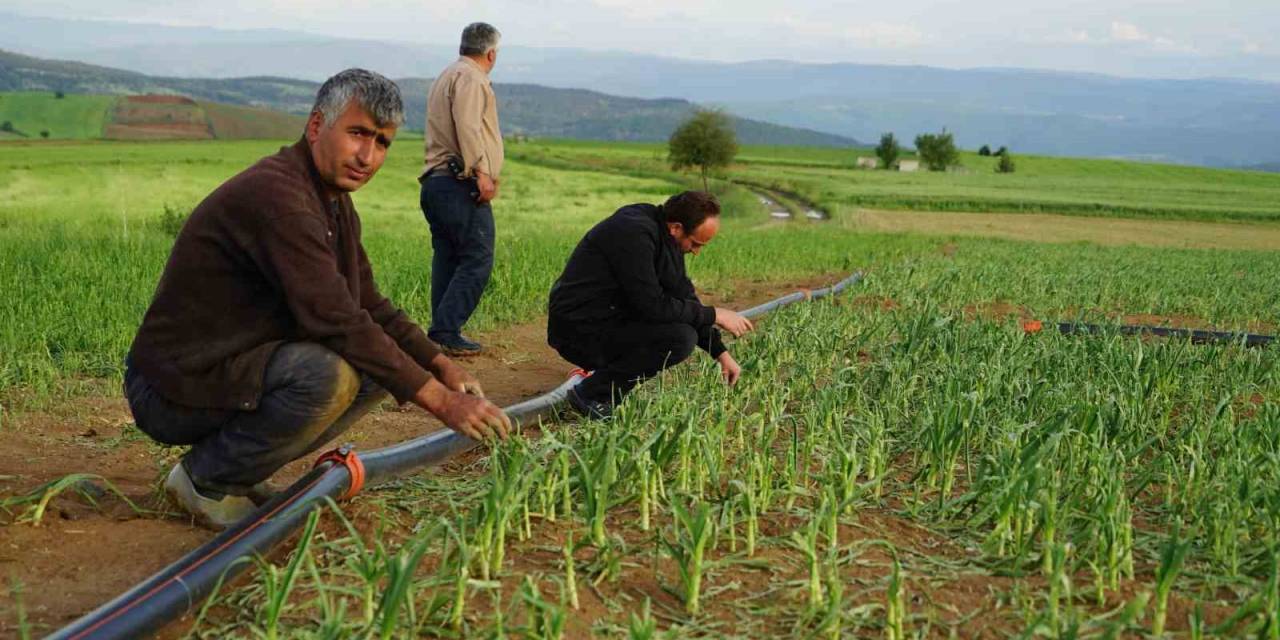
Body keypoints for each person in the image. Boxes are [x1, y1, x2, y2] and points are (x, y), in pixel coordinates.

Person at [125, 69, 511, 530]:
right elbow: (338, 321)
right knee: (325, 376)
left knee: (377, 365)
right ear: (315, 128)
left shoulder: (331, 202)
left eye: (383, 142)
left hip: (229, 367)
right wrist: (443, 404)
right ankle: (204, 479)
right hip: (171, 384)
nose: (368, 156)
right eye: (358, 134)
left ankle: (238, 472)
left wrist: (439, 364)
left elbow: (368, 304)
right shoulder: (281, 198)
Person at [546, 191, 755, 419]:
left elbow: (683, 296)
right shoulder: (632, 233)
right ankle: (592, 394)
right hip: (578, 329)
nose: (696, 252)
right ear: (676, 227)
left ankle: (600, 388)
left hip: (609, 318)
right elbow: (652, 306)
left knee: (681, 331)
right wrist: (715, 314)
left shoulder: (665, 237)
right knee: (678, 338)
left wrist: (721, 354)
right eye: (695, 243)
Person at [419, 22, 505, 356]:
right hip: (459, 182)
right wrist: (481, 171)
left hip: (437, 182)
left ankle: (441, 331)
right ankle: (445, 329)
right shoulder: (471, 77)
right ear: (491, 53)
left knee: (449, 257)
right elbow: (468, 127)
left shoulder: (447, 74)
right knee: (477, 258)